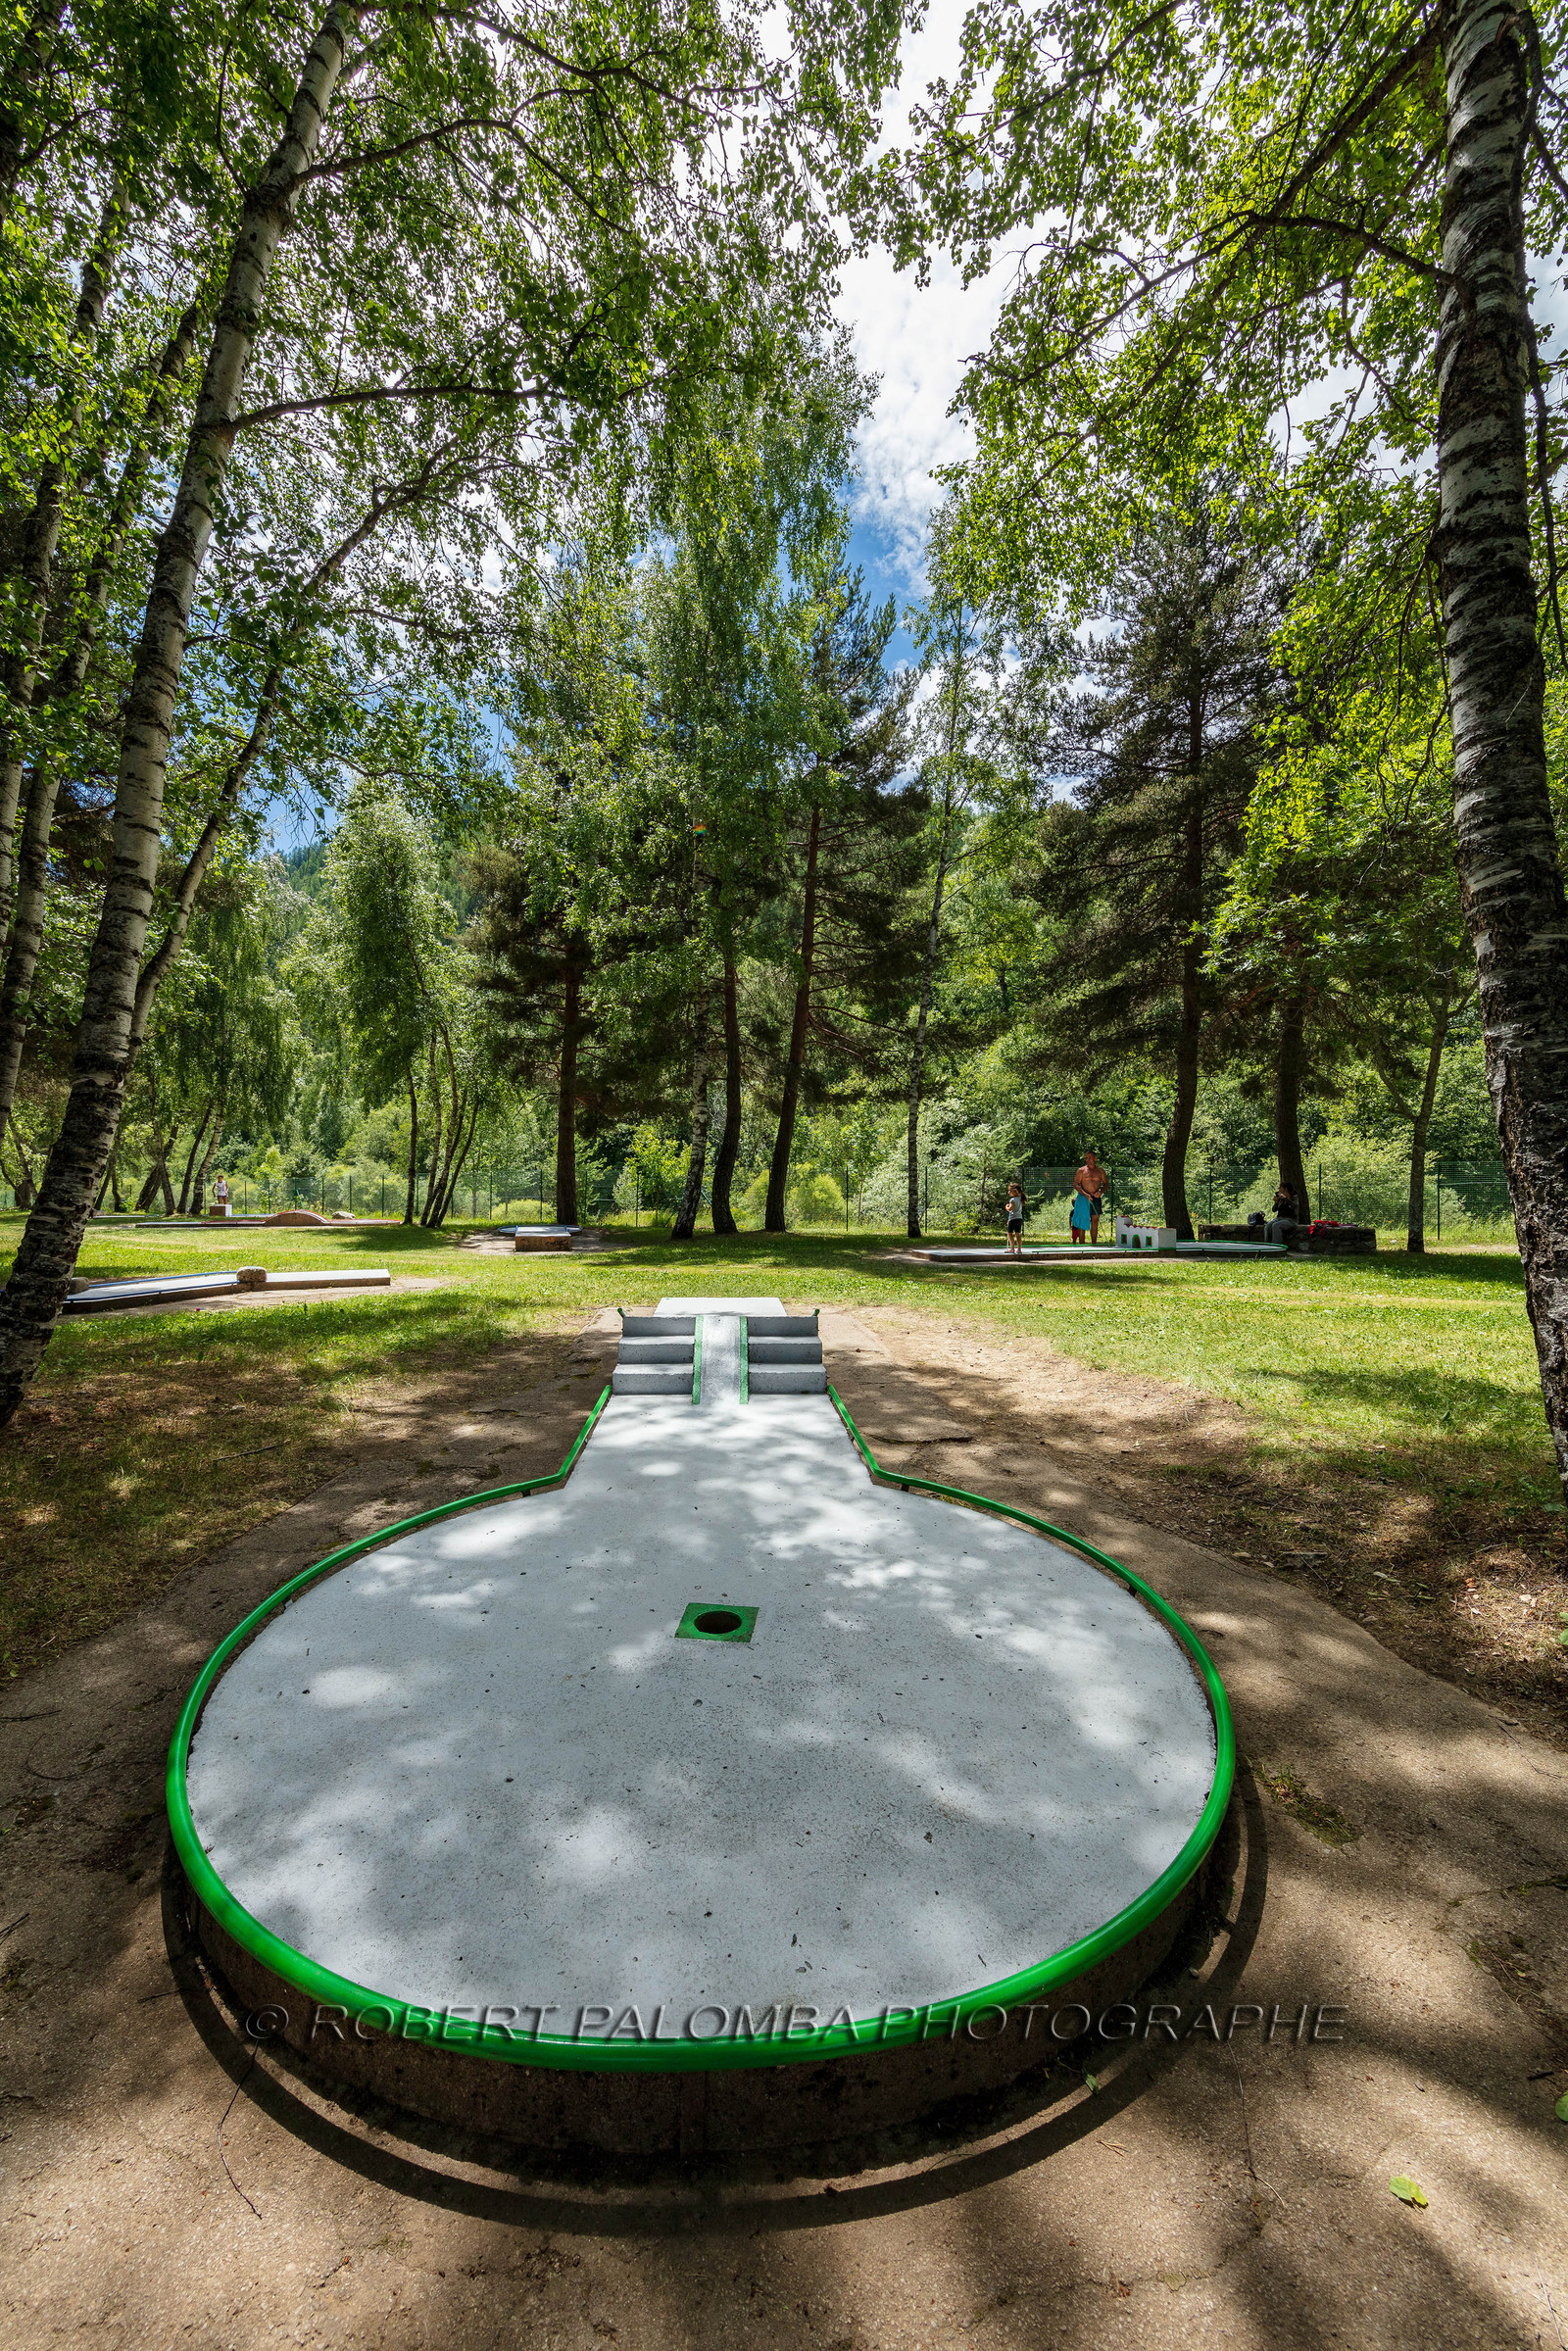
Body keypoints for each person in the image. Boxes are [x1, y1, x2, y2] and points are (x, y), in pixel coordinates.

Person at [1070, 1149, 1107, 1244]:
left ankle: (1093, 1244)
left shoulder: (1100, 1171)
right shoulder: (1081, 1170)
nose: (1087, 1160)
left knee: (1095, 1221)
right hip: (1083, 1198)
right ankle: (1081, 1245)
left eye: (1089, 1158)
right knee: (1082, 1222)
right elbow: (1075, 1184)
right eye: (1086, 1158)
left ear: (1095, 1158)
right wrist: (1085, 1194)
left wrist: (1101, 1192)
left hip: (1096, 1198)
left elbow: (1106, 1184)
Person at [1004, 1179, 1026, 1256]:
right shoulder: (1020, 1199)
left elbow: (1010, 1209)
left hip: (1013, 1219)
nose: (1008, 1192)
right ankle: (1019, 1249)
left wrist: (1006, 1207)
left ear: (1015, 1191)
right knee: (1018, 1234)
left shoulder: (1012, 1199)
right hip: (1019, 1219)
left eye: (1010, 1190)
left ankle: (1012, 1248)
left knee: (1009, 1234)